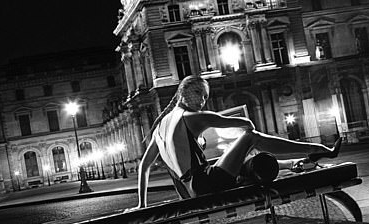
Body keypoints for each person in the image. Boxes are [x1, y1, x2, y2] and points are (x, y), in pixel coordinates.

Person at [129, 75, 341, 210]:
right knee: (251, 138)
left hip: (190, 192)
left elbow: (144, 167)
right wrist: (239, 130)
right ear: (182, 93)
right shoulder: (192, 118)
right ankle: (318, 149)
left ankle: (296, 163)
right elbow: (246, 124)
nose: (202, 101)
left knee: (239, 155)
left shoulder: (160, 127)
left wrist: (142, 204)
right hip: (204, 184)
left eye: (205, 97)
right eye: (198, 94)